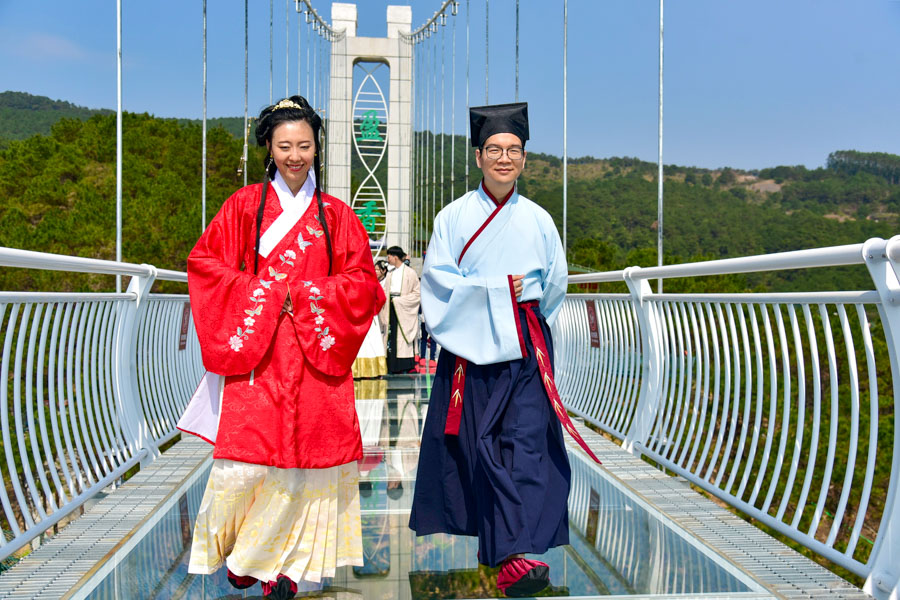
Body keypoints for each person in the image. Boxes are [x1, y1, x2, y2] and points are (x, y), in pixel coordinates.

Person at [181, 96, 385, 600]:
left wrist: (309, 295)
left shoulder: (336, 216)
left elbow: (363, 284)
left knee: (308, 464)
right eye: (285, 145)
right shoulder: (243, 208)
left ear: (317, 148)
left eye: (305, 145)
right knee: (248, 463)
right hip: (260, 355)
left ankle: (289, 569)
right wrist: (269, 294)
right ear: (269, 149)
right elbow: (205, 266)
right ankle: (247, 554)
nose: (295, 155)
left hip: (317, 357)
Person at [408, 102, 601, 598]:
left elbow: (554, 286)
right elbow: (438, 282)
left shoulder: (539, 220)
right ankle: (505, 549)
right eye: (493, 149)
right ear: (477, 157)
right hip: (471, 346)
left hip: (526, 343)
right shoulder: (453, 217)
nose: (503, 158)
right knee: (481, 442)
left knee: (528, 441)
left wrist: (523, 311)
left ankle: (516, 553)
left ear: (524, 160)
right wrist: (498, 293)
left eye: (513, 151)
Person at [379, 246, 420, 374]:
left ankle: (403, 364)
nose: (388, 259)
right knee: (390, 335)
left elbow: (416, 294)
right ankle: (391, 363)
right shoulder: (390, 274)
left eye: (389, 256)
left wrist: (399, 301)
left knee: (401, 336)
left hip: (402, 308)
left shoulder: (410, 273)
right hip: (391, 307)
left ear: (395, 257)